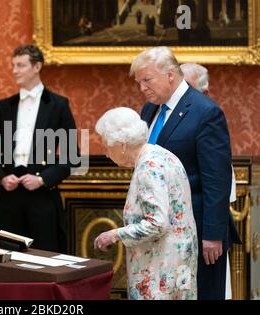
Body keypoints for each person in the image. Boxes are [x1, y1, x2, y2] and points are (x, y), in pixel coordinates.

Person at [132, 46, 241, 299]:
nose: (142, 88)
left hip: (197, 231)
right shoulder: (150, 109)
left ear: (171, 74)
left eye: (147, 80)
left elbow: (217, 180)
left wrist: (213, 235)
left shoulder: (205, 112)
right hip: (160, 229)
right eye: (139, 82)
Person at [94, 107, 198, 300]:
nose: (107, 154)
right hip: (179, 264)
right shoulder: (163, 155)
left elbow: (157, 223)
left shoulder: (148, 168)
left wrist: (115, 234)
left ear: (122, 144)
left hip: (158, 272)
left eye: (107, 147)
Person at [0, 44, 78, 253]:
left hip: (42, 195)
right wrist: (1, 178)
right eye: (13, 65)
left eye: (20, 65)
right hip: (10, 196)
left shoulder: (58, 105)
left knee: (45, 256)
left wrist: (42, 179)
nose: (14, 70)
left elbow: (72, 155)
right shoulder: (5, 106)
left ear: (37, 67)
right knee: (11, 258)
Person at [180, 62, 237, 299]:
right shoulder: (155, 110)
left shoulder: (208, 116)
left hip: (205, 228)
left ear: (204, 93)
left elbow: (217, 183)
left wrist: (212, 234)